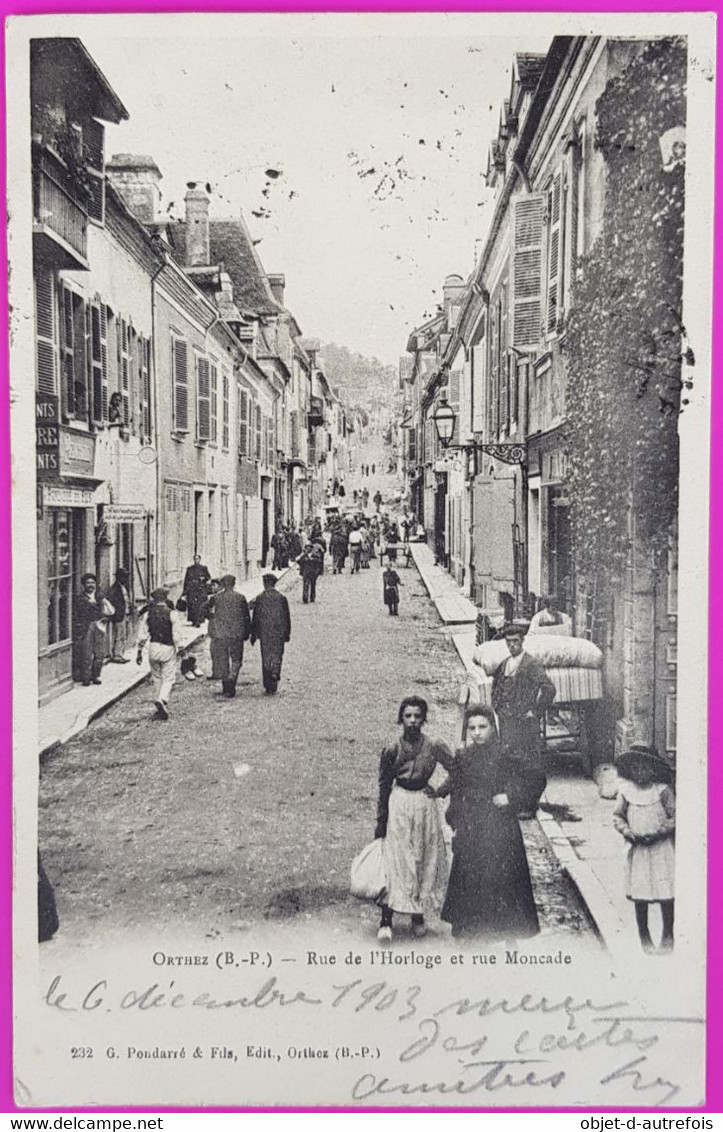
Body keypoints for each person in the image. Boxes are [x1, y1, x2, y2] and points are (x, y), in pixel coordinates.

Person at [441, 705, 540, 941]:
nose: (477, 733)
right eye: (472, 728)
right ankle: (472, 931)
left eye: (482, 727)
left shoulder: (505, 753)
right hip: (472, 826)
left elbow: (536, 777)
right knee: (470, 875)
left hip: (500, 826)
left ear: (493, 728)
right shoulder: (464, 756)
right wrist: (455, 821)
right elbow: (457, 788)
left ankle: (506, 933)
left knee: (502, 878)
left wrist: (512, 797)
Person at [374, 697, 453, 943]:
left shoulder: (434, 745)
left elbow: (457, 770)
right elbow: (384, 786)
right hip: (399, 803)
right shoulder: (392, 749)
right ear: (401, 718)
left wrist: (440, 791)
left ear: (423, 718)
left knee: (423, 857)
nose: (412, 721)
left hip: (423, 802)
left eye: (417, 716)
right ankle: (386, 920)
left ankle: (417, 915)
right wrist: (381, 822)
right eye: (407, 716)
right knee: (397, 859)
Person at [613, 744, 675, 953]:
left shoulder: (662, 791)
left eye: (645, 768)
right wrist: (628, 832)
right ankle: (644, 934)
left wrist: (660, 832)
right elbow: (618, 816)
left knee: (666, 889)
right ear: (630, 770)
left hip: (660, 848)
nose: (640, 773)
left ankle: (668, 934)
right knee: (641, 891)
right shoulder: (625, 792)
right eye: (635, 769)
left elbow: (676, 815)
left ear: (653, 770)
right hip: (638, 848)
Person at [491, 624, 556, 819]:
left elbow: (549, 689)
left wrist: (535, 712)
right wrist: (498, 707)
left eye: (515, 641)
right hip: (507, 723)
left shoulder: (531, 664)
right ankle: (513, 802)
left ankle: (529, 805)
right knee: (509, 761)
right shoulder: (504, 664)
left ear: (522, 641)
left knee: (528, 765)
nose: (512, 645)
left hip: (525, 725)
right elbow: (496, 687)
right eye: (508, 642)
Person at [136, 587, 182, 720]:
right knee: (169, 677)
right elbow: (177, 636)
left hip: (153, 647)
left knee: (157, 677)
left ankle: (159, 704)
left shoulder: (148, 614)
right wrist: (182, 650)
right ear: (165, 598)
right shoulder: (172, 613)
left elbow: (142, 635)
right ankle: (162, 699)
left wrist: (139, 652)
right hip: (167, 648)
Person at [250, 574, 292, 695]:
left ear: (265, 583)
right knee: (278, 654)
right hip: (278, 632)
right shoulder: (281, 598)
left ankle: (268, 683)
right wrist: (287, 633)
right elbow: (286, 617)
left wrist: (253, 634)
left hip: (264, 632)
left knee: (266, 655)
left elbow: (256, 617)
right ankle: (275, 672)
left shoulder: (260, 598)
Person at [211, 575, 252, 698]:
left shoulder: (216, 598)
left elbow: (203, 609)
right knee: (236, 660)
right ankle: (231, 680)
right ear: (234, 584)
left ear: (223, 585)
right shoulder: (240, 598)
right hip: (236, 635)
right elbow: (246, 617)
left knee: (223, 660)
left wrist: (212, 619)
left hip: (221, 635)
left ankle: (226, 687)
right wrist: (247, 633)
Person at [72, 573, 112, 686]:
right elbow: (77, 615)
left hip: (99, 626)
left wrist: (105, 618)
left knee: (99, 653)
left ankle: (96, 676)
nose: (90, 585)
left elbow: (111, 611)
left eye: (92, 583)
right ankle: (86, 677)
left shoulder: (100, 598)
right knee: (86, 653)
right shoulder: (80, 598)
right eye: (88, 583)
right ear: (84, 585)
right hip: (86, 627)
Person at [108, 568, 133, 663]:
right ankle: (117, 656)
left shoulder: (123, 587)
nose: (126, 579)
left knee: (123, 635)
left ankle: (120, 654)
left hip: (125, 615)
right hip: (119, 616)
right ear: (119, 577)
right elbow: (113, 602)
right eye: (124, 577)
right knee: (119, 636)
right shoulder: (115, 589)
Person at [181, 555, 211, 627]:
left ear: (200, 560)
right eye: (195, 559)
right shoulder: (190, 569)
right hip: (192, 589)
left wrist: (203, 578)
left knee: (200, 604)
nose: (196, 560)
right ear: (193, 560)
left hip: (201, 589)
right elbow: (186, 580)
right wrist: (184, 591)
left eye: (197, 559)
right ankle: (194, 620)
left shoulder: (204, 568)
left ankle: (199, 620)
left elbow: (208, 577)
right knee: (192, 605)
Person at [204, 579, 224, 680]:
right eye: (212, 585)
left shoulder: (214, 598)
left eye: (214, 585)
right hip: (222, 628)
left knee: (215, 650)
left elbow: (204, 609)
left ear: (220, 586)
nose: (212, 587)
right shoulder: (219, 597)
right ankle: (220, 672)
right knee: (218, 651)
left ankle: (217, 673)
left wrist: (209, 615)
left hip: (216, 628)